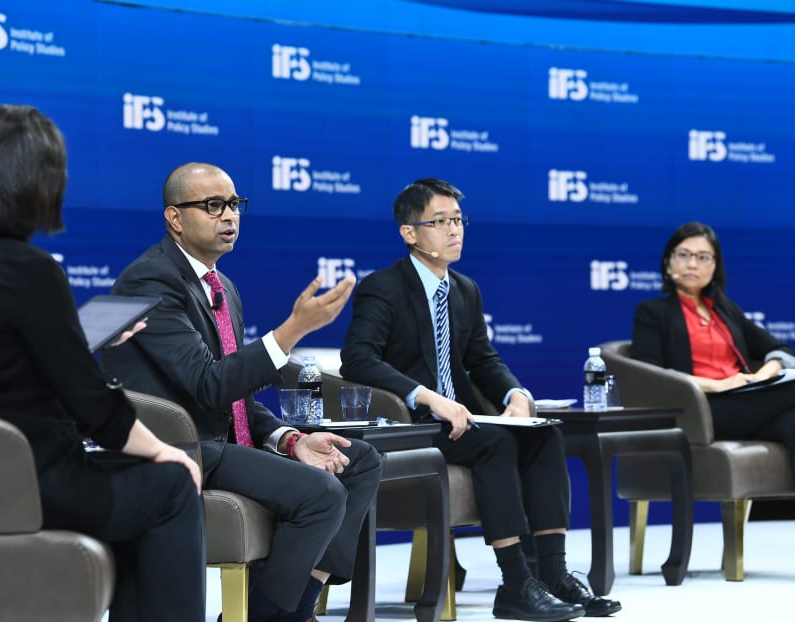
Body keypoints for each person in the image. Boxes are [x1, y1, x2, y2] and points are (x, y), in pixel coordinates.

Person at [100, 162, 383, 622]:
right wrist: (291, 331)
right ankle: (271, 617)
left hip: (222, 440)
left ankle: (293, 607)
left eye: (234, 204)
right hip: (180, 447)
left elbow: (236, 395)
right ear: (175, 217)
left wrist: (290, 439)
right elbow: (208, 384)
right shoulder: (151, 280)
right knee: (321, 493)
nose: (229, 215)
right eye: (213, 206)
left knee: (361, 461)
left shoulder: (223, 286)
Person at [340, 178, 621, 621]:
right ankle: (515, 584)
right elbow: (357, 359)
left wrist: (515, 394)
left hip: (462, 420)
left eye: (458, 220)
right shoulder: (384, 287)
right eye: (440, 222)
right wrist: (430, 398)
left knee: (544, 436)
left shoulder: (464, 289)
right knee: (495, 443)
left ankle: (554, 573)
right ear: (409, 233)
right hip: (413, 425)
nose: (455, 230)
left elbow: (482, 358)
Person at [0, 104, 205, 621]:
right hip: (29, 482)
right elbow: (95, 409)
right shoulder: (28, 272)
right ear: (35, 182)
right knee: (171, 485)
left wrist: (79, 349)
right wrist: (167, 452)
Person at [632, 221, 795, 477]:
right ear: (667, 263)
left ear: (715, 266)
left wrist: (761, 377)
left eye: (703, 257)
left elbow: (779, 349)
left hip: (746, 402)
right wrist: (717, 384)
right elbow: (650, 375)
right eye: (683, 255)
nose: (693, 264)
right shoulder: (653, 313)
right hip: (700, 408)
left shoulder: (725, 309)